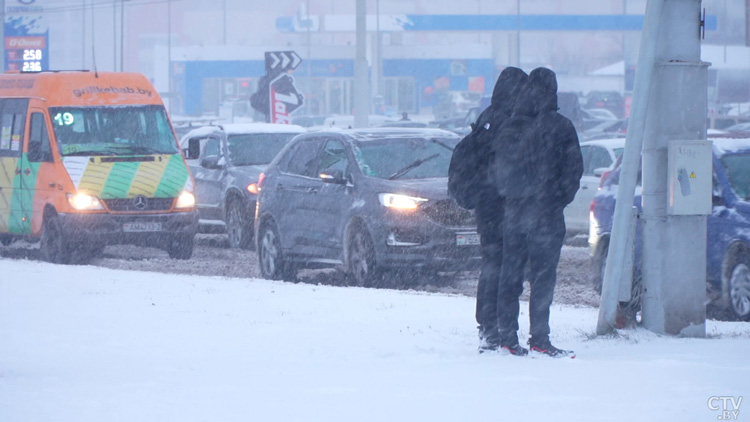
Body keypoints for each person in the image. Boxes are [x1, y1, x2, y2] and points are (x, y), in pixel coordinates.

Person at [490, 67, 583, 357]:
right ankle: (540, 338)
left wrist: (514, 198)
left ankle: (507, 336)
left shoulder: (510, 126)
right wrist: (556, 200)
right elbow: (573, 171)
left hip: (514, 214)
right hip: (546, 215)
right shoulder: (560, 126)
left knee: (510, 276)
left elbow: (496, 174)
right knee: (543, 278)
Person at [447, 67, 528, 352]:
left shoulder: (486, 118)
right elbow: (503, 167)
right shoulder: (508, 121)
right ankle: (497, 328)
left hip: (486, 206)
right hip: (501, 205)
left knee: (492, 265)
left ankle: (488, 326)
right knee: (505, 268)